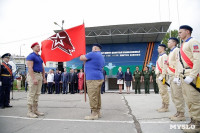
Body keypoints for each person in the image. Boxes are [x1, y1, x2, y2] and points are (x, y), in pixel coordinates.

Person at [175, 25, 200, 132]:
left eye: (181, 32)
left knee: (194, 100)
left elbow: (197, 59)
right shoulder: (183, 44)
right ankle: (193, 121)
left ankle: (198, 124)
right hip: (184, 74)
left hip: (191, 73)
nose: (179, 34)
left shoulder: (193, 42)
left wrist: (192, 75)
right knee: (188, 100)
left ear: (187, 31)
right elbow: (179, 63)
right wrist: (178, 76)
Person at [80, 43, 105, 120]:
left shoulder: (93, 54)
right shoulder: (100, 56)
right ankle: (98, 112)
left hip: (92, 78)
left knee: (92, 95)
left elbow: (81, 58)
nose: (91, 50)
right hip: (98, 77)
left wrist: (81, 53)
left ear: (94, 48)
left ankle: (94, 113)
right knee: (97, 95)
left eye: (92, 48)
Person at [167, 37, 186, 121]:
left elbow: (178, 63)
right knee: (174, 96)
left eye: (169, 42)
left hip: (175, 75)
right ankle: (178, 112)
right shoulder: (171, 52)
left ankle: (181, 114)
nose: (168, 43)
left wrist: (177, 76)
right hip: (171, 76)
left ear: (174, 43)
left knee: (178, 95)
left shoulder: (176, 50)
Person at [26, 42, 46, 118]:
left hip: (39, 75)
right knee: (32, 94)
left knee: (37, 93)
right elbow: (30, 68)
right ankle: (29, 111)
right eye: (37, 46)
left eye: (39, 46)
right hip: (33, 75)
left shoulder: (39, 57)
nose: (39, 47)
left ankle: (35, 110)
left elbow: (42, 67)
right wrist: (33, 78)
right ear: (33, 47)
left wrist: (44, 78)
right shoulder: (31, 56)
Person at [155, 44, 170, 113]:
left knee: (164, 91)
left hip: (162, 76)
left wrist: (163, 75)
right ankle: (163, 105)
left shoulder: (164, 56)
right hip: (159, 76)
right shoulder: (160, 56)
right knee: (161, 92)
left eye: (159, 48)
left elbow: (165, 67)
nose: (158, 49)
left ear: (163, 48)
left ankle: (166, 106)